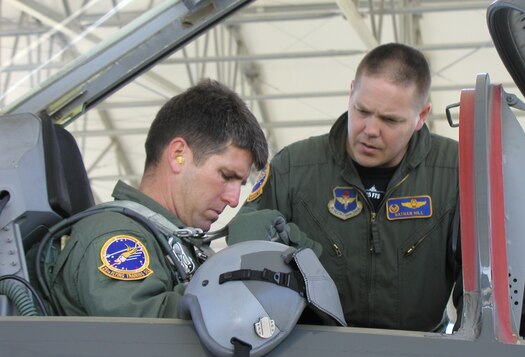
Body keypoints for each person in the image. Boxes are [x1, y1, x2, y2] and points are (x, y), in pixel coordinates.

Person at [237, 43, 461, 332]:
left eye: (390, 120)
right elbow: (245, 249)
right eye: (362, 110)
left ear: (421, 116)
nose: (370, 130)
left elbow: (487, 283)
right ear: (351, 91)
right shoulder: (294, 168)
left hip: (419, 356)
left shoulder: (456, 172)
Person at [45, 79, 269, 318]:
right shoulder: (117, 237)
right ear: (178, 155)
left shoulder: (175, 244)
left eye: (240, 184)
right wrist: (248, 278)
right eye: (226, 176)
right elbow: (148, 339)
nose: (234, 199)